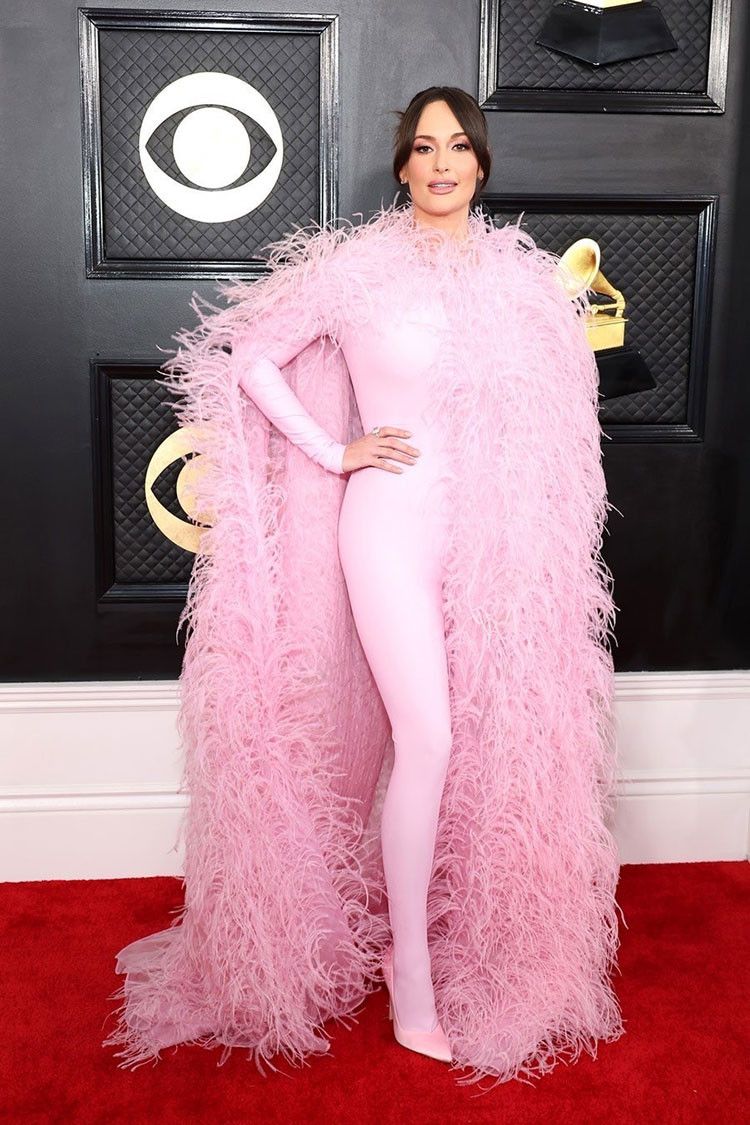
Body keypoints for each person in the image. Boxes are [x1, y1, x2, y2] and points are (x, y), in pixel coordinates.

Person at [104, 86, 625, 1088]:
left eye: (459, 146)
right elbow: (250, 355)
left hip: (487, 545)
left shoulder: (520, 283)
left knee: (473, 743)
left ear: (481, 164)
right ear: (403, 165)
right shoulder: (355, 270)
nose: (442, 163)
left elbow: (561, 411)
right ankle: (412, 979)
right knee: (426, 737)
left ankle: (424, 943)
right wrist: (333, 450)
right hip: (385, 529)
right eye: (424, 147)